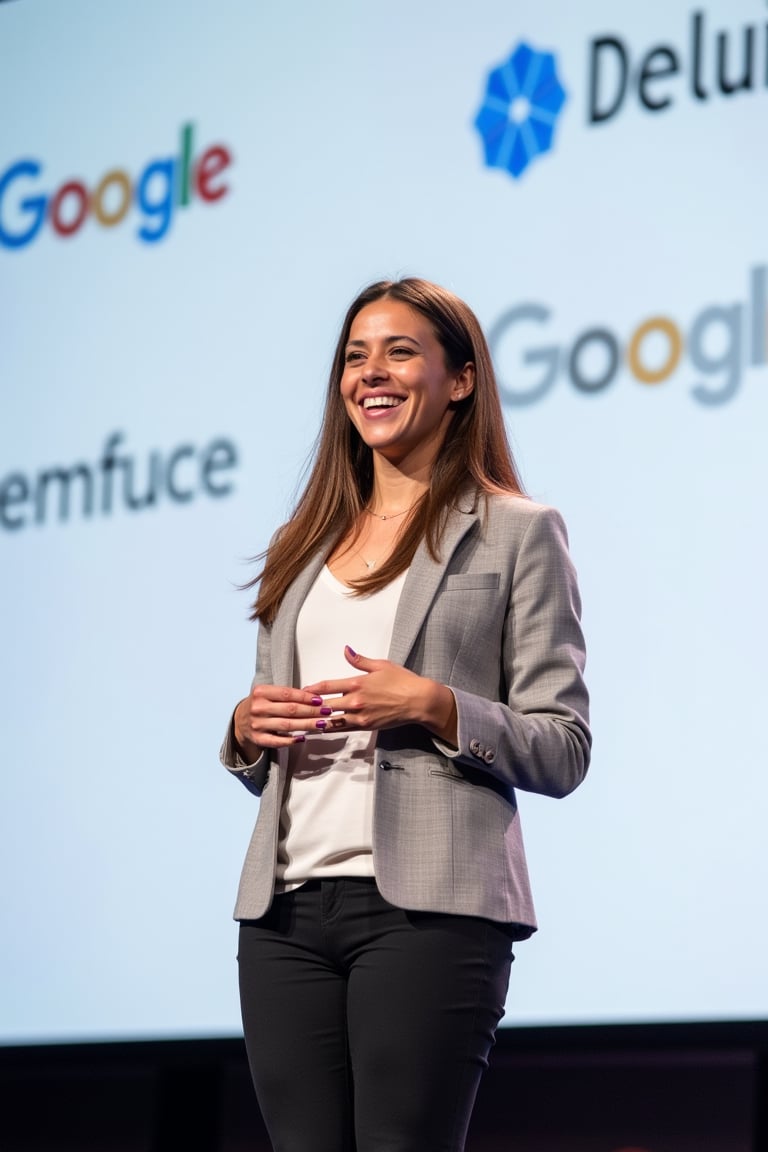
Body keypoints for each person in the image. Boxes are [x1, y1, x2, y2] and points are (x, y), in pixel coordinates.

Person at [221, 277, 590, 1152]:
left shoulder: (515, 531)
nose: (370, 373)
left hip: (430, 910)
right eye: (355, 355)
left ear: (460, 379)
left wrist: (433, 704)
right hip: (284, 912)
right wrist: (244, 732)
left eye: (398, 351)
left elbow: (563, 746)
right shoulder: (300, 547)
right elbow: (268, 741)